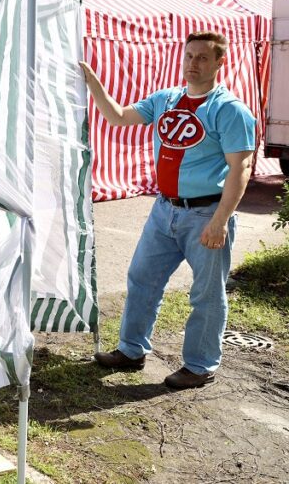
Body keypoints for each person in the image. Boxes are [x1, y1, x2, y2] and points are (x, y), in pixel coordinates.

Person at [80, 31, 255, 390]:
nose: (193, 64)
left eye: (203, 58)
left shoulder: (229, 109)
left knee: (206, 293)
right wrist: (92, 81)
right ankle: (131, 350)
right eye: (189, 56)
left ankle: (200, 365)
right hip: (164, 210)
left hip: (206, 213)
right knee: (142, 278)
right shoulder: (166, 99)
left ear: (220, 62)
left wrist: (220, 221)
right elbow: (117, 117)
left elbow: (241, 169)